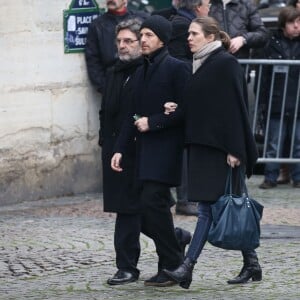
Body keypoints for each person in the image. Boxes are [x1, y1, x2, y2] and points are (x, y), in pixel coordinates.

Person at [162, 16, 260, 289]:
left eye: (194, 34)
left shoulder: (225, 63)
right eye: (189, 34)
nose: (188, 38)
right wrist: (178, 109)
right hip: (203, 145)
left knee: (208, 209)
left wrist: (235, 149)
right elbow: (203, 105)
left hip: (221, 149)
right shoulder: (202, 63)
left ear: (210, 36)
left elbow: (234, 110)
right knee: (224, 206)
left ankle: (187, 267)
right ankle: (251, 263)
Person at [101, 18, 191, 286]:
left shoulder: (177, 68)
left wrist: (155, 121)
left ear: (162, 39)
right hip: (144, 151)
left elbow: (186, 110)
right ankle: (172, 261)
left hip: (166, 149)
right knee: (151, 206)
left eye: (148, 35)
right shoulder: (143, 70)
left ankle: (174, 262)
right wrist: (117, 149)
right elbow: (131, 114)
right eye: (142, 35)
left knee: (152, 203)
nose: (143, 39)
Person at [168, 0, 211, 216]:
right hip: (181, 91)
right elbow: (179, 59)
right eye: (207, 3)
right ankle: (184, 198)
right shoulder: (182, 24)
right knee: (183, 145)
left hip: (183, 88)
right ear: (198, 6)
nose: (210, 7)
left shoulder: (185, 21)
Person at [258, 6, 300, 189]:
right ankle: (270, 177)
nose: (297, 26)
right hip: (277, 101)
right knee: (274, 142)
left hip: (298, 102)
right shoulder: (271, 42)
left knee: (298, 143)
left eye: (299, 22)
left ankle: (298, 178)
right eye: (293, 22)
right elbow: (264, 76)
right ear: (283, 24)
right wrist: (262, 102)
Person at [85, 0, 148, 94]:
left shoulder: (141, 19)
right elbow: (93, 60)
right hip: (112, 84)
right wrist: (105, 88)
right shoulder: (97, 25)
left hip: (139, 80)